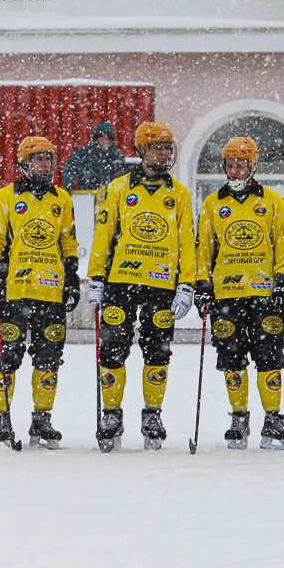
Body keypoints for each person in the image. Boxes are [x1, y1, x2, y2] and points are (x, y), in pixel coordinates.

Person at [86, 121, 199, 450]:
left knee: (158, 351)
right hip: (121, 281)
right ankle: (111, 414)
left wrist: (187, 284)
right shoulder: (119, 188)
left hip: (161, 284)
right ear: (141, 150)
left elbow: (186, 242)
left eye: (167, 147)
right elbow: (103, 236)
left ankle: (152, 414)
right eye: (156, 147)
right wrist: (96, 278)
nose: (163, 153)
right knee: (113, 349)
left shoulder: (178, 193)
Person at [195, 136, 284, 449]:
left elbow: (282, 243)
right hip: (227, 294)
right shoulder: (213, 204)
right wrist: (203, 284)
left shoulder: (272, 201)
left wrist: (283, 280)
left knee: (269, 356)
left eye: (242, 163)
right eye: (230, 163)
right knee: (231, 357)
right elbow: (204, 251)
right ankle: (239, 417)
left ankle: (273, 418)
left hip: (264, 293)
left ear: (253, 164)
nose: (236, 169)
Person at [0, 136, 80, 448]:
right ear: (24, 163)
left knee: (49, 357)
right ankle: (3, 416)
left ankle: (42, 419)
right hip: (14, 291)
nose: (44, 165)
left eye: (49, 159)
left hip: (50, 291)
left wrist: (72, 277)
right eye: (38, 159)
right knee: (4, 357)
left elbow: (68, 240)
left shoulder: (61, 199)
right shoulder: (6, 197)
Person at [63, 122, 125, 192]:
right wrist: (69, 186)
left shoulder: (116, 155)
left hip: (110, 196)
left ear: (111, 140)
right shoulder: (85, 153)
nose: (104, 142)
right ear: (96, 140)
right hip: (86, 196)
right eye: (101, 139)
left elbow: (122, 175)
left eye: (107, 139)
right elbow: (70, 168)